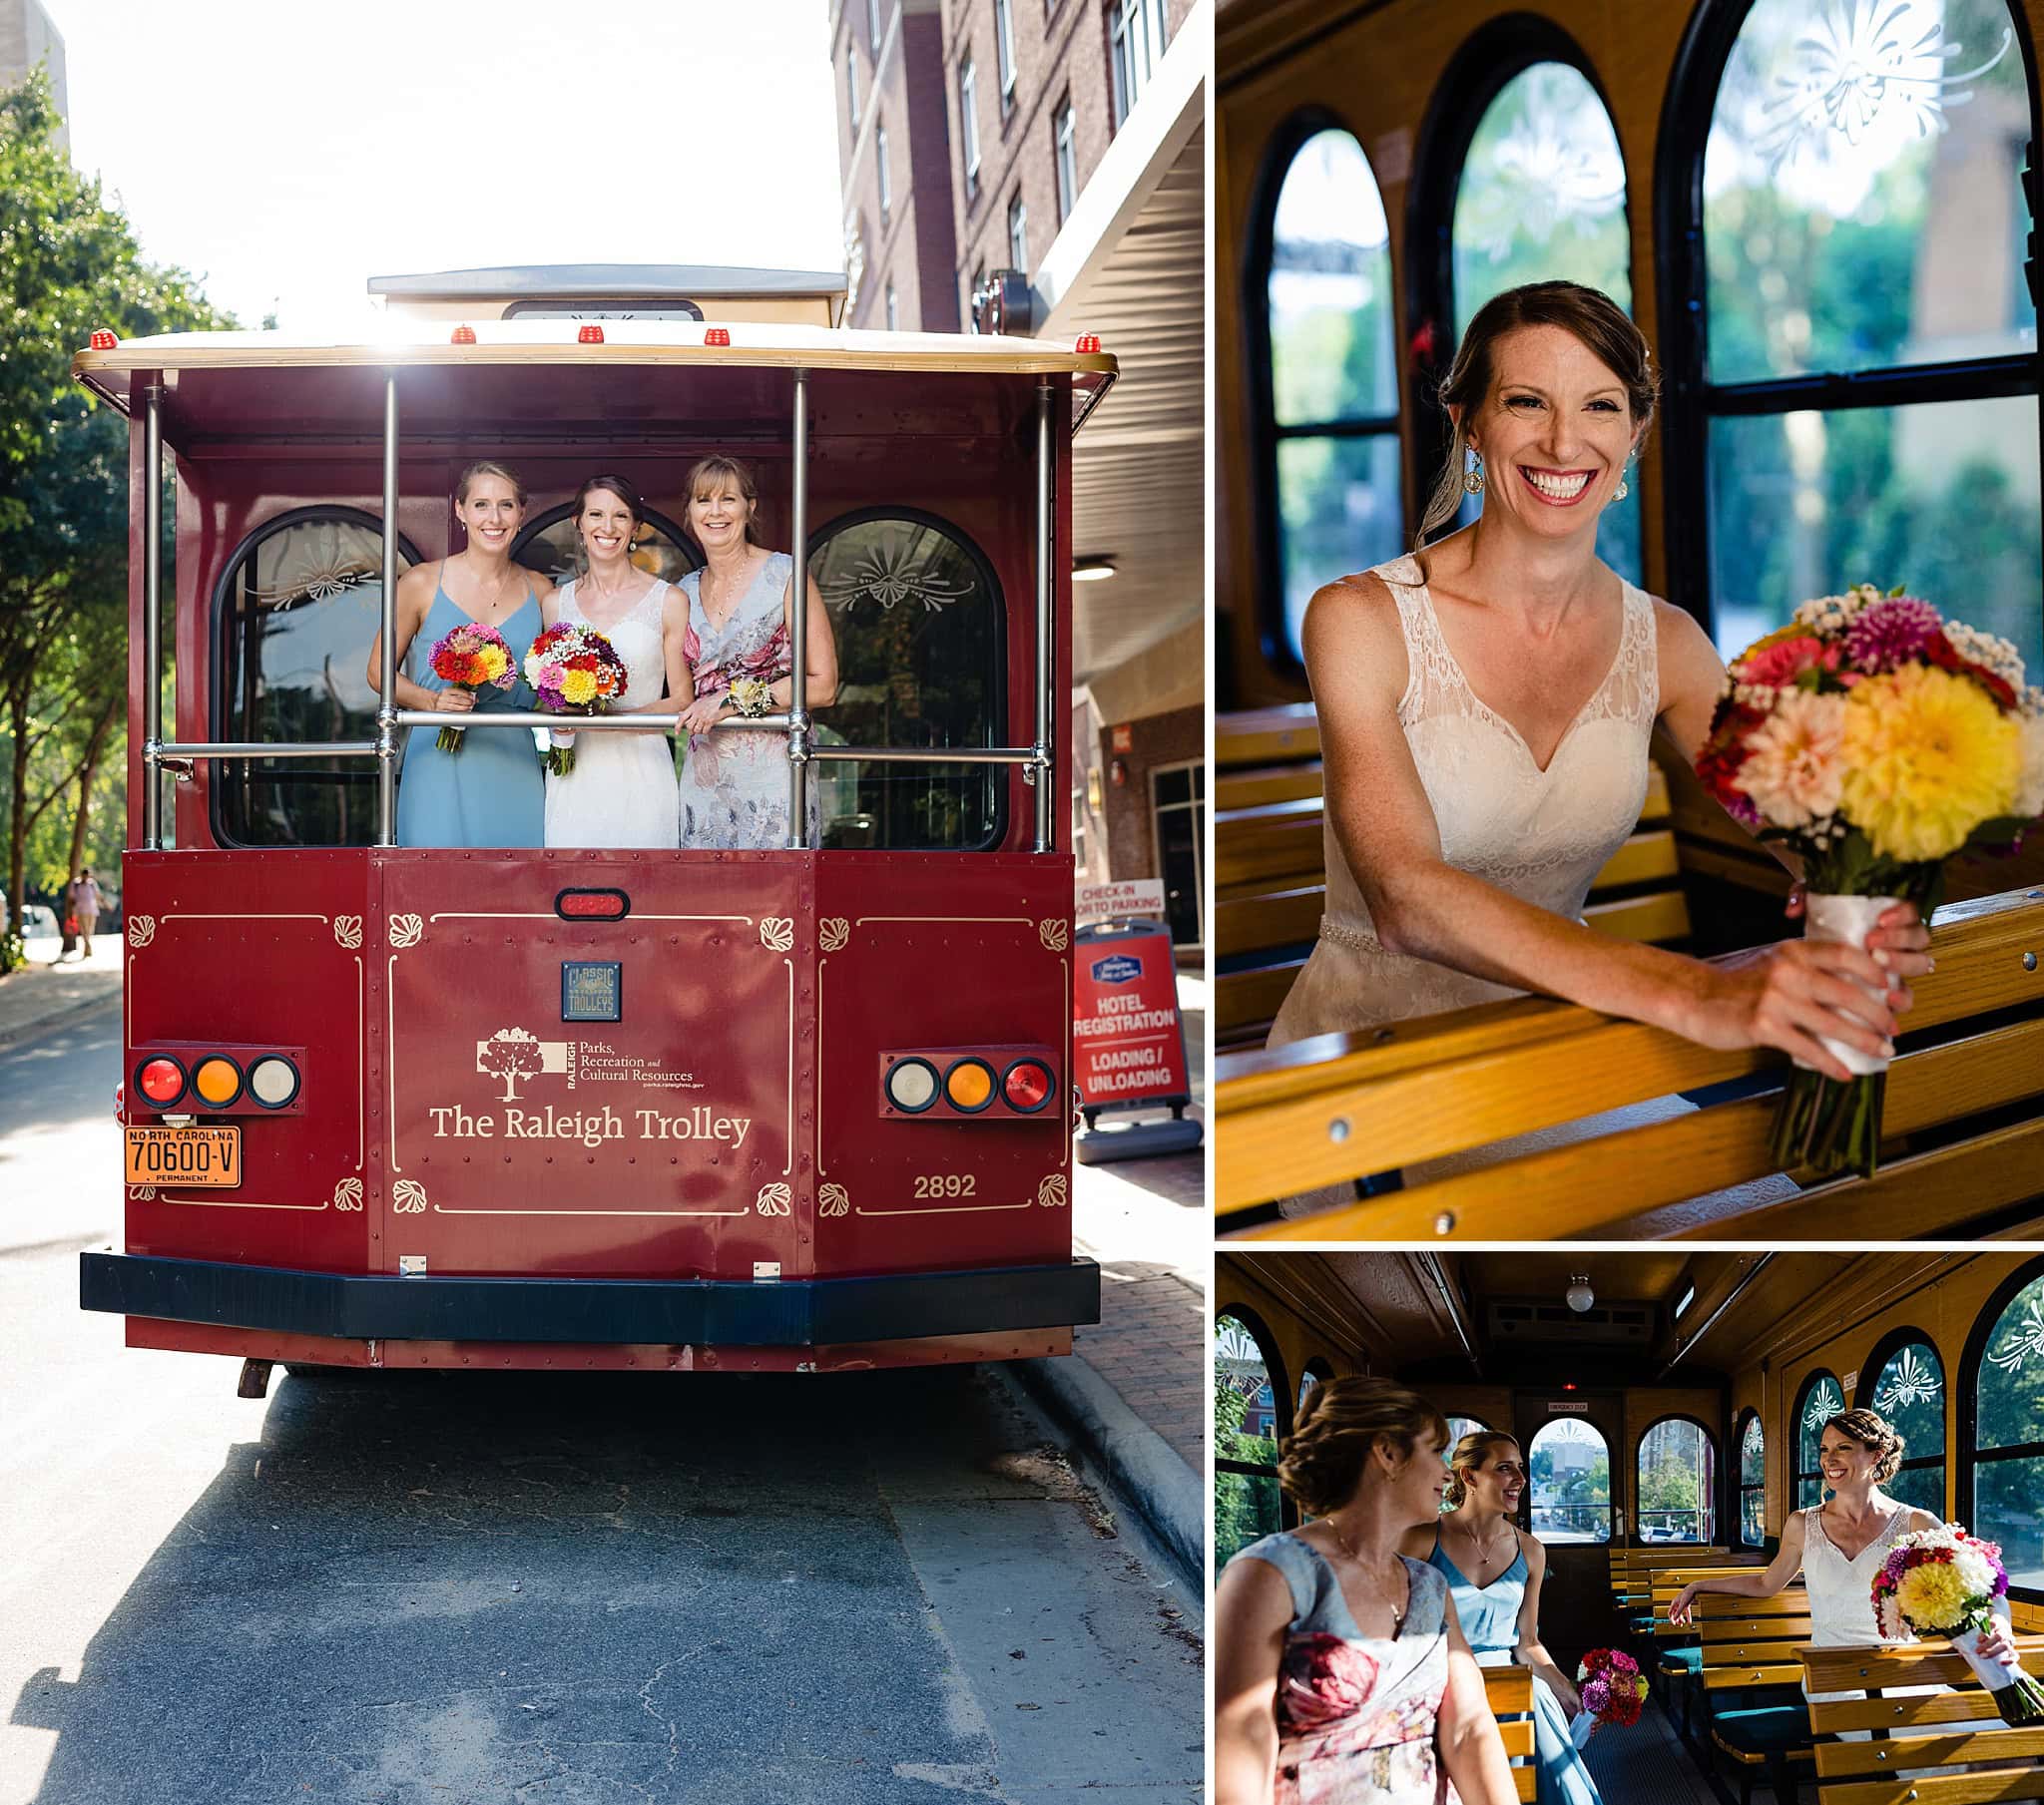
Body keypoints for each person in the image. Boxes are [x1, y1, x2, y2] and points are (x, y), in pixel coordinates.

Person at [1267, 281, 1926, 1193]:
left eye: (1600, 407)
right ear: (1469, 424)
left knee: (1775, 1204)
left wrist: (1871, 893)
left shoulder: (1670, 642)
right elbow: (1406, 897)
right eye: (1526, 402)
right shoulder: (1357, 620)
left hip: (1564, 1046)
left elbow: (1816, 834)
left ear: (1636, 439)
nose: (1563, 442)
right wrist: (1700, 992)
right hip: (1370, 1071)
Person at [1215, 1376, 1520, 1804]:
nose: (1445, 1471)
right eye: (1434, 1451)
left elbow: (1469, 1726)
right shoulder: (1268, 1576)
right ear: (1389, 1454)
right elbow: (1244, 1740)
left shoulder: (1429, 1585)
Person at [1669, 1408, 2018, 1732]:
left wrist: (2000, 1626)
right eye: (1824, 1449)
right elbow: (1765, 1583)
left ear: (1876, 1455)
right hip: (1833, 1677)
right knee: (1923, 1742)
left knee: (2004, 1744)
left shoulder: (1915, 1523)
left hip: (1904, 1672)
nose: (1829, 1459)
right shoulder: (1802, 1524)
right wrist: (1698, 1585)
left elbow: (1982, 1584)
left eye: (1844, 1448)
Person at [1402, 1432, 1599, 1804]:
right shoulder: (1421, 1539)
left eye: (1521, 1469)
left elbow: (1527, 1643)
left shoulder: (1532, 1550)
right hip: (1441, 1679)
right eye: (1504, 1468)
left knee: (1536, 1699)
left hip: (1512, 1680)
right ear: (1470, 1477)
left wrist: (1564, 1688)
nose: (1520, 1480)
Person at [370, 462, 550, 848]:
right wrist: (432, 700)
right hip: (437, 756)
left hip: (514, 758)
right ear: (460, 510)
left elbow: (549, 681)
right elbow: (378, 673)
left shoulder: (541, 590)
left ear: (522, 513)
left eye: (506, 505)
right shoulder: (419, 582)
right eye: (481, 504)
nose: (494, 518)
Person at [675, 455, 839, 848]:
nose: (715, 512)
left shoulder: (786, 575)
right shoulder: (681, 591)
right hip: (705, 775)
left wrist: (731, 701)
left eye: (727, 499)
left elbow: (823, 687)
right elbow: (677, 693)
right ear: (689, 511)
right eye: (703, 500)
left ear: (750, 507)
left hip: (776, 775)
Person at [540, 476, 688, 848]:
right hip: (574, 774)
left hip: (643, 772)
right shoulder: (555, 604)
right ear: (579, 523)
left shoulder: (668, 600)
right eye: (596, 514)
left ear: (635, 527)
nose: (608, 527)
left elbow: (682, 699)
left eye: (620, 516)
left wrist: (616, 722)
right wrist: (563, 711)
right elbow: (546, 695)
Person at [65, 869, 102, 960]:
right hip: (80, 910)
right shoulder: (75, 884)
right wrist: (71, 911)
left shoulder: (92, 883)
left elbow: (97, 895)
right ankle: (88, 946)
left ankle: (87, 947)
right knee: (83, 929)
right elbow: (71, 898)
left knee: (89, 930)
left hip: (92, 910)